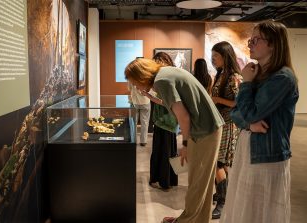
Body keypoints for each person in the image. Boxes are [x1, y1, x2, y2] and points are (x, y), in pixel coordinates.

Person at [125, 58, 224, 223]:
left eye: (135, 82)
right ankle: (194, 219)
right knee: (201, 181)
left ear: (141, 76)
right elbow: (174, 105)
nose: (135, 86)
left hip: (204, 130)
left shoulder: (162, 81)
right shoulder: (165, 74)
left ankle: (187, 220)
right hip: (206, 128)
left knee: (198, 182)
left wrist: (184, 144)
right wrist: (150, 96)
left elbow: (183, 117)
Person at [220, 21, 299, 223]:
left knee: (262, 211)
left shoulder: (283, 77)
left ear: (273, 44)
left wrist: (246, 83)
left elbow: (252, 113)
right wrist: (248, 124)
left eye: (256, 40)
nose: (250, 44)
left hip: (267, 154)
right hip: (249, 147)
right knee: (247, 207)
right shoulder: (258, 74)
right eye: (250, 40)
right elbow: (237, 112)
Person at [210, 41, 243, 219]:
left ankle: (223, 202)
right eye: (212, 56)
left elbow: (239, 103)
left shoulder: (233, 77)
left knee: (219, 163)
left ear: (225, 56)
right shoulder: (221, 74)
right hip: (220, 124)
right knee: (222, 163)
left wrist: (217, 100)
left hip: (228, 125)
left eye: (216, 56)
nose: (213, 59)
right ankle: (225, 195)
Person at [146, 52, 178, 191]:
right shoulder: (167, 76)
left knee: (164, 152)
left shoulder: (168, 78)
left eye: (158, 61)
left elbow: (165, 102)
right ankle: (166, 180)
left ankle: (165, 182)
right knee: (164, 152)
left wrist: (148, 95)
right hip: (165, 121)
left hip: (166, 121)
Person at [128, 82, 151, 146]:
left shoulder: (131, 78)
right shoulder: (146, 78)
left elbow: (129, 89)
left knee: (133, 122)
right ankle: (143, 141)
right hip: (145, 101)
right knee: (145, 122)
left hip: (135, 102)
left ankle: (133, 140)